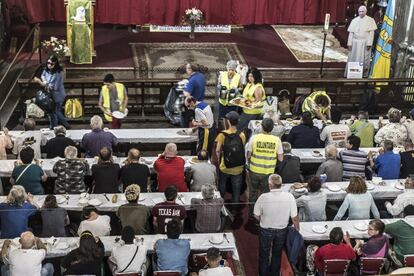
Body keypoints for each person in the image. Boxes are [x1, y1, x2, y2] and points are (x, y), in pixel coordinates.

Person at [254, 174, 299, 276]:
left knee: (264, 254)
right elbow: (295, 217)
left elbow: (256, 215)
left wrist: (264, 219)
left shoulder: (263, 197)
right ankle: (274, 274)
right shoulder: (289, 196)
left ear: (269, 185)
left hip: (265, 230)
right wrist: (297, 229)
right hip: (282, 230)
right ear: (281, 184)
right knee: (277, 254)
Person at [247, 118, 283, 216]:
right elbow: (280, 158)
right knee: (266, 194)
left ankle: (251, 213)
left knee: (253, 192)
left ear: (262, 127)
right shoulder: (277, 140)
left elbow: (249, 155)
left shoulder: (254, 138)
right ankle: (263, 213)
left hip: (254, 170)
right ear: (272, 128)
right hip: (268, 171)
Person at [215, 111, 246, 209]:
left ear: (228, 121)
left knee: (222, 185)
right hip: (238, 167)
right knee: (236, 189)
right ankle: (234, 209)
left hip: (225, 166)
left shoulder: (222, 135)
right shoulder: (242, 135)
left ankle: (221, 206)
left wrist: (220, 159)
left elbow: (217, 150)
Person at [33, 55, 70, 129]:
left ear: (55, 64)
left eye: (51, 64)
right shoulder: (47, 69)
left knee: (56, 111)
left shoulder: (57, 74)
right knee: (51, 111)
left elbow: (53, 88)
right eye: (48, 63)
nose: (49, 65)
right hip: (51, 94)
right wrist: (45, 80)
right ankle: (54, 126)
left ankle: (65, 125)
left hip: (57, 95)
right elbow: (43, 75)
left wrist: (39, 82)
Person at [346, 5, 377, 77]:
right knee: (352, 58)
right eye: (359, 11)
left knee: (364, 59)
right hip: (355, 43)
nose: (361, 13)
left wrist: (369, 44)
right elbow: (351, 33)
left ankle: (363, 74)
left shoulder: (370, 20)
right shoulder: (354, 20)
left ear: (366, 12)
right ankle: (352, 74)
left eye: (362, 11)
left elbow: (371, 34)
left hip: (365, 43)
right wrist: (349, 43)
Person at [182, 63, 206, 128]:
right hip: (200, 101)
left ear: (190, 69)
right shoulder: (201, 76)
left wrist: (184, 91)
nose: (186, 70)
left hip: (193, 105)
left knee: (186, 118)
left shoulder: (192, 80)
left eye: (187, 68)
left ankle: (186, 132)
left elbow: (187, 94)